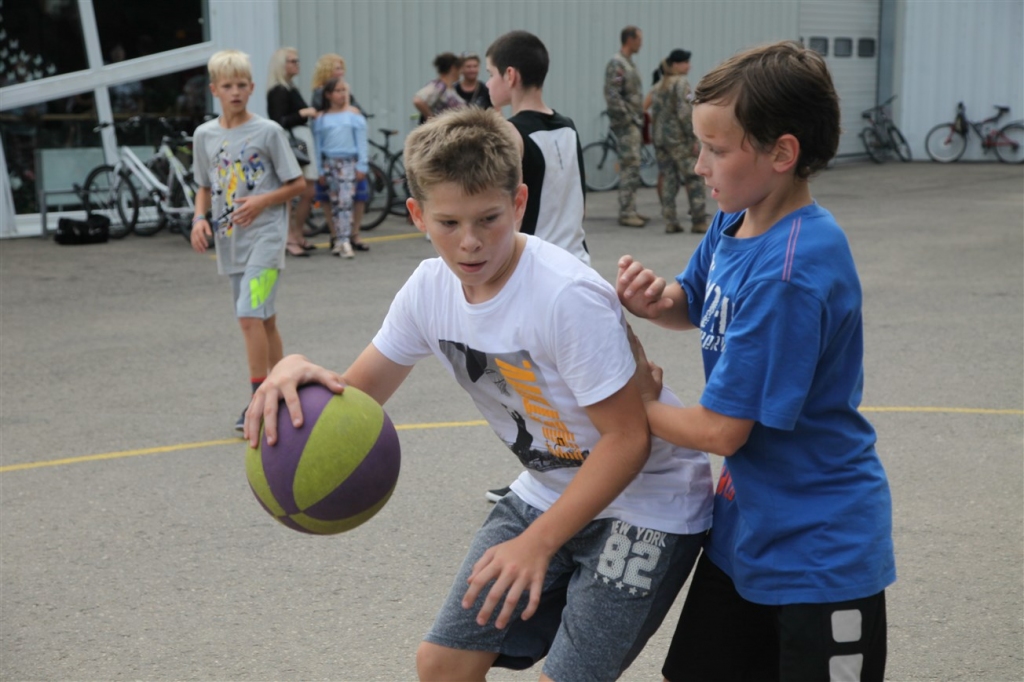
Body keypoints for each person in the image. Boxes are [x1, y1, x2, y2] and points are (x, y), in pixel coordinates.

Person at [244, 107, 713, 681]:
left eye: (488, 219)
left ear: (518, 203)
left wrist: (537, 544)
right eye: (448, 223)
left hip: (648, 503)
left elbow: (628, 439)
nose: (469, 243)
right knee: (441, 665)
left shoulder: (564, 296)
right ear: (417, 215)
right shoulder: (427, 291)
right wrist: (292, 365)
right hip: (549, 487)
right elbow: (358, 397)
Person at [616, 41, 895, 681]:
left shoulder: (790, 272)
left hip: (818, 551)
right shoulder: (737, 219)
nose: (698, 165)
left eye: (716, 150)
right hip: (747, 531)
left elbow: (721, 430)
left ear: (781, 153)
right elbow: (696, 301)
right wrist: (657, 302)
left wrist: (638, 407)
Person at [481, 29, 590, 503]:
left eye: (490, 74)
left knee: (534, 393)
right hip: (579, 263)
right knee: (573, 390)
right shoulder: (566, 125)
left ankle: (553, 477)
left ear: (510, 75)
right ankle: (571, 472)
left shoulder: (513, 133)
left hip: (540, 276)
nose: (487, 84)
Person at [189, 49, 306, 432]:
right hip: (231, 242)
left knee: (248, 314)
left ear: (252, 88)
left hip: (267, 241)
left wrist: (261, 201)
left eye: (242, 85)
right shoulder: (204, 135)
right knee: (265, 320)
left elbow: (298, 184)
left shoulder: (268, 131)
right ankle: (286, 388)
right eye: (227, 86)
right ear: (214, 91)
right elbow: (204, 186)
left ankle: (258, 399)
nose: (235, 92)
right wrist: (198, 219)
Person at [310, 53, 370, 252]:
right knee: (333, 200)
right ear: (328, 95)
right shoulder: (321, 119)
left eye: (344, 90)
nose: (342, 94)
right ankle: (338, 237)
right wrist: (319, 169)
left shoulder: (354, 116)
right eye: (337, 91)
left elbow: (361, 141)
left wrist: (362, 164)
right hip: (329, 163)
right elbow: (318, 145)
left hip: (348, 163)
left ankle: (344, 239)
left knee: (346, 201)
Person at [648, 49, 709, 234]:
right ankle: (698, 220)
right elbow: (685, 113)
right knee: (694, 177)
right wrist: (693, 137)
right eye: (685, 62)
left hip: (661, 139)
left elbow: (654, 112)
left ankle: (670, 221)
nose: (688, 66)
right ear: (676, 65)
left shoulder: (659, 85)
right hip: (679, 140)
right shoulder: (681, 83)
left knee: (668, 178)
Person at [267, 47, 319, 258]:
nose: (296, 64)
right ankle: (289, 237)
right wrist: (303, 113)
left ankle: (296, 233)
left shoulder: (289, 88)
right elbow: (278, 121)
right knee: (292, 192)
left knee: (308, 190)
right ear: (281, 64)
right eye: (291, 61)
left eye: (297, 60)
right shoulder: (278, 90)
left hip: (301, 141)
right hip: (292, 143)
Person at [604, 26, 646, 228]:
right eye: (639, 39)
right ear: (629, 39)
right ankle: (626, 212)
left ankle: (631, 208)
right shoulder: (617, 64)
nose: (641, 43)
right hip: (626, 124)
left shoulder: (629, 63)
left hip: (633, 122)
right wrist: (628, 117)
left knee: (634, 165)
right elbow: (612, 95)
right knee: (630, 164)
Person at [412, 52, 466, 124]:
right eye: (459, 68)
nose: (461, 72)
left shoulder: (449, 87)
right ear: (453, 68)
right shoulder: (439, 86)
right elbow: (418, 100)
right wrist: (431, 118)